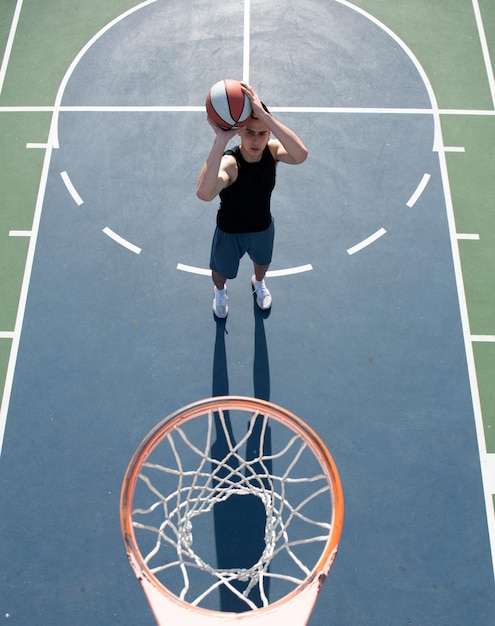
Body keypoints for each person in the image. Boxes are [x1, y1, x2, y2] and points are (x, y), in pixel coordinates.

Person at [196, 83, 308, 318]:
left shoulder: (273, 152)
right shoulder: (230, 163)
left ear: (268, 133)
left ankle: (258, 283)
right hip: (229, 232)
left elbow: (301, 155)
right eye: (249, 133)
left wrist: (266, 117)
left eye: (262, 133)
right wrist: (220, 139)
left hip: (261, 227)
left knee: (262, 264)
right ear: (239, 132)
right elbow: (204, 193)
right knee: (220, 273)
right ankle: (219, 291)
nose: (256, 140)